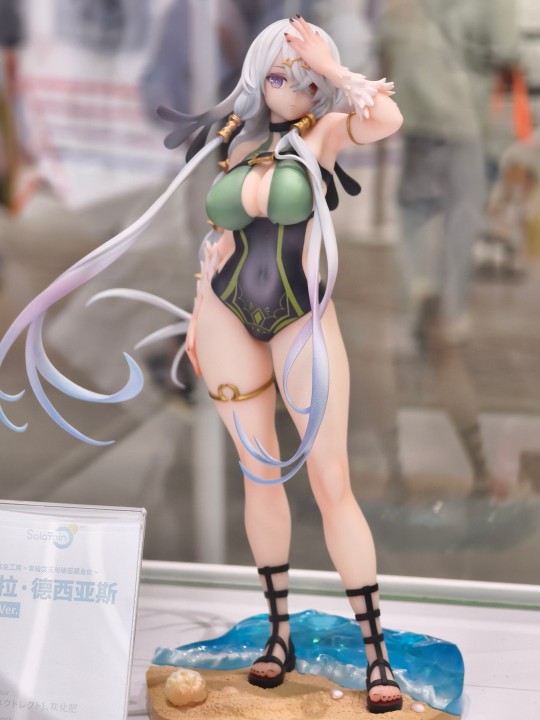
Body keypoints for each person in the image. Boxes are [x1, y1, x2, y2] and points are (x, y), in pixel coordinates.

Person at [0, 18, 403, 713]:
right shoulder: (238, 142)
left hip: (300, 317)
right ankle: (278, 638)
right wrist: (196, 308)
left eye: (305, 79)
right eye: (279, 75)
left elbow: (387, 118)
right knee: (258, 475)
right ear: (256, 77)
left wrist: (334, 73)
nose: (293, 89)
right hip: (223, 318)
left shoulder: (328, 132)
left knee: (330, 479)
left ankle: (377, 655)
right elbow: (219, 237)